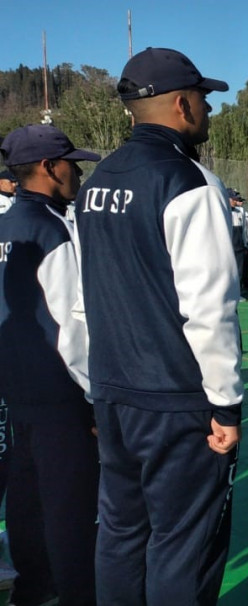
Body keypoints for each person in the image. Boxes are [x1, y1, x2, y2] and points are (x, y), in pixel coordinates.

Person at [73, 47, 241, 605]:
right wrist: (225, 405)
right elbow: (209, 308)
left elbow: (84, 296)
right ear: (181, 104)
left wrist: (97, 390)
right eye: (203, 98)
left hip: (114, 390)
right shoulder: (189, 182)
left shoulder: (95, 182)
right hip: (172, 397)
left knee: (120, 531)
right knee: (183, 542)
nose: (209, 110)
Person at [0, 124, 99, 606]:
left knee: (26, 496)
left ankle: (32, 586)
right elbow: (71, 325)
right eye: (70, 163)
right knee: (70, 505)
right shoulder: (51, 228)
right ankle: (75, 593)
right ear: (48, 168)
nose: (76, 171)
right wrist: (95, 397)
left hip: (15, 389)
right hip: (60, 393)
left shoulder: (4, 227)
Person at [228, 188, 248, 298]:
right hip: (228, 248)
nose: (235, 201)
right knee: (228, 272)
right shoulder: (222, 212)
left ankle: (238, 293)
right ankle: (229, 294)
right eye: (233, 199)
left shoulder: (240, 212)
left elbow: (244, 230)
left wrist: (245, 244)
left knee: (239, 271)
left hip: (239, 247)